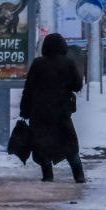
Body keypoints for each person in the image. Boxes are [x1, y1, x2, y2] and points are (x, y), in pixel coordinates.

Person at [19, 33, 85, 183]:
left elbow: (28, 89)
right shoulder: (68, 63)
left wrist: (24, 110)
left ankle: (48, 176)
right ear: (63, 47)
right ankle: (79, 175)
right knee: (69, 144)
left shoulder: (38, 63)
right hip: (61, 112)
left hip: (40, 112)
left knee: (41, 144)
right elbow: (77, 85)